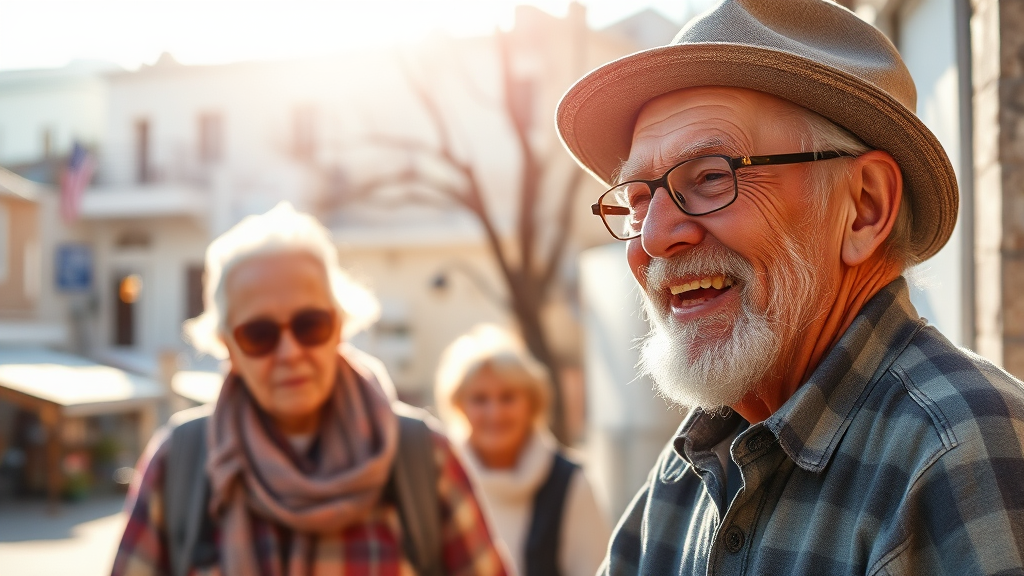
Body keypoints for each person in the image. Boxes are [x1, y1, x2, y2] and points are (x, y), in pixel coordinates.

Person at [554, 1, 1024, 574]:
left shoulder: (960, 450)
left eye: (709, 177)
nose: (653, 238)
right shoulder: (689, 474)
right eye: (637, 200)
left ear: (864, 208)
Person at [111, 202, 508, 576]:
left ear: (339, 326)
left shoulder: (424, 458)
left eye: (309, 325)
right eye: (260, 334)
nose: (290, 353)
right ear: (228, 346)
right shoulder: (178, 464)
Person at [434, 324, 610, 576]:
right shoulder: (437, 479)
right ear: (459, 406)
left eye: (508, 397)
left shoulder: (571, 483)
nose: (494, 414)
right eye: (479, 399)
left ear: (532, 403)